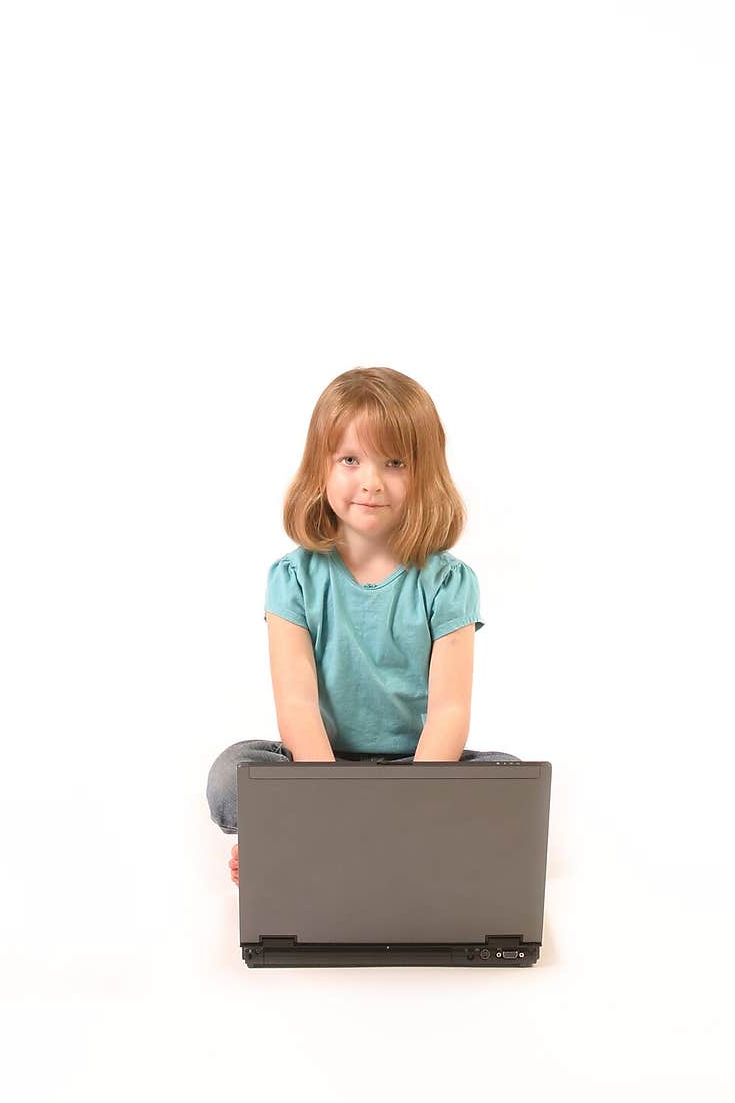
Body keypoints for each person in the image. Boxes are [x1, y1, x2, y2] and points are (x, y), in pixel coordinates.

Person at [206, 366, 520, 886]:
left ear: (423, 474)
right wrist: (331, 799)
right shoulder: (292, 578)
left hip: (418, 769)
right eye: (350, 460)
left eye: (394, 462)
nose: (371, 482)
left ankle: (317, 838)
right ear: (320, 470)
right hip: (320, 766)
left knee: (510, 778)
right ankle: (367, 836)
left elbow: (449, 710)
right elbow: (297, 705)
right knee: (229, 777)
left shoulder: (448, 582)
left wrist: (412, 799)